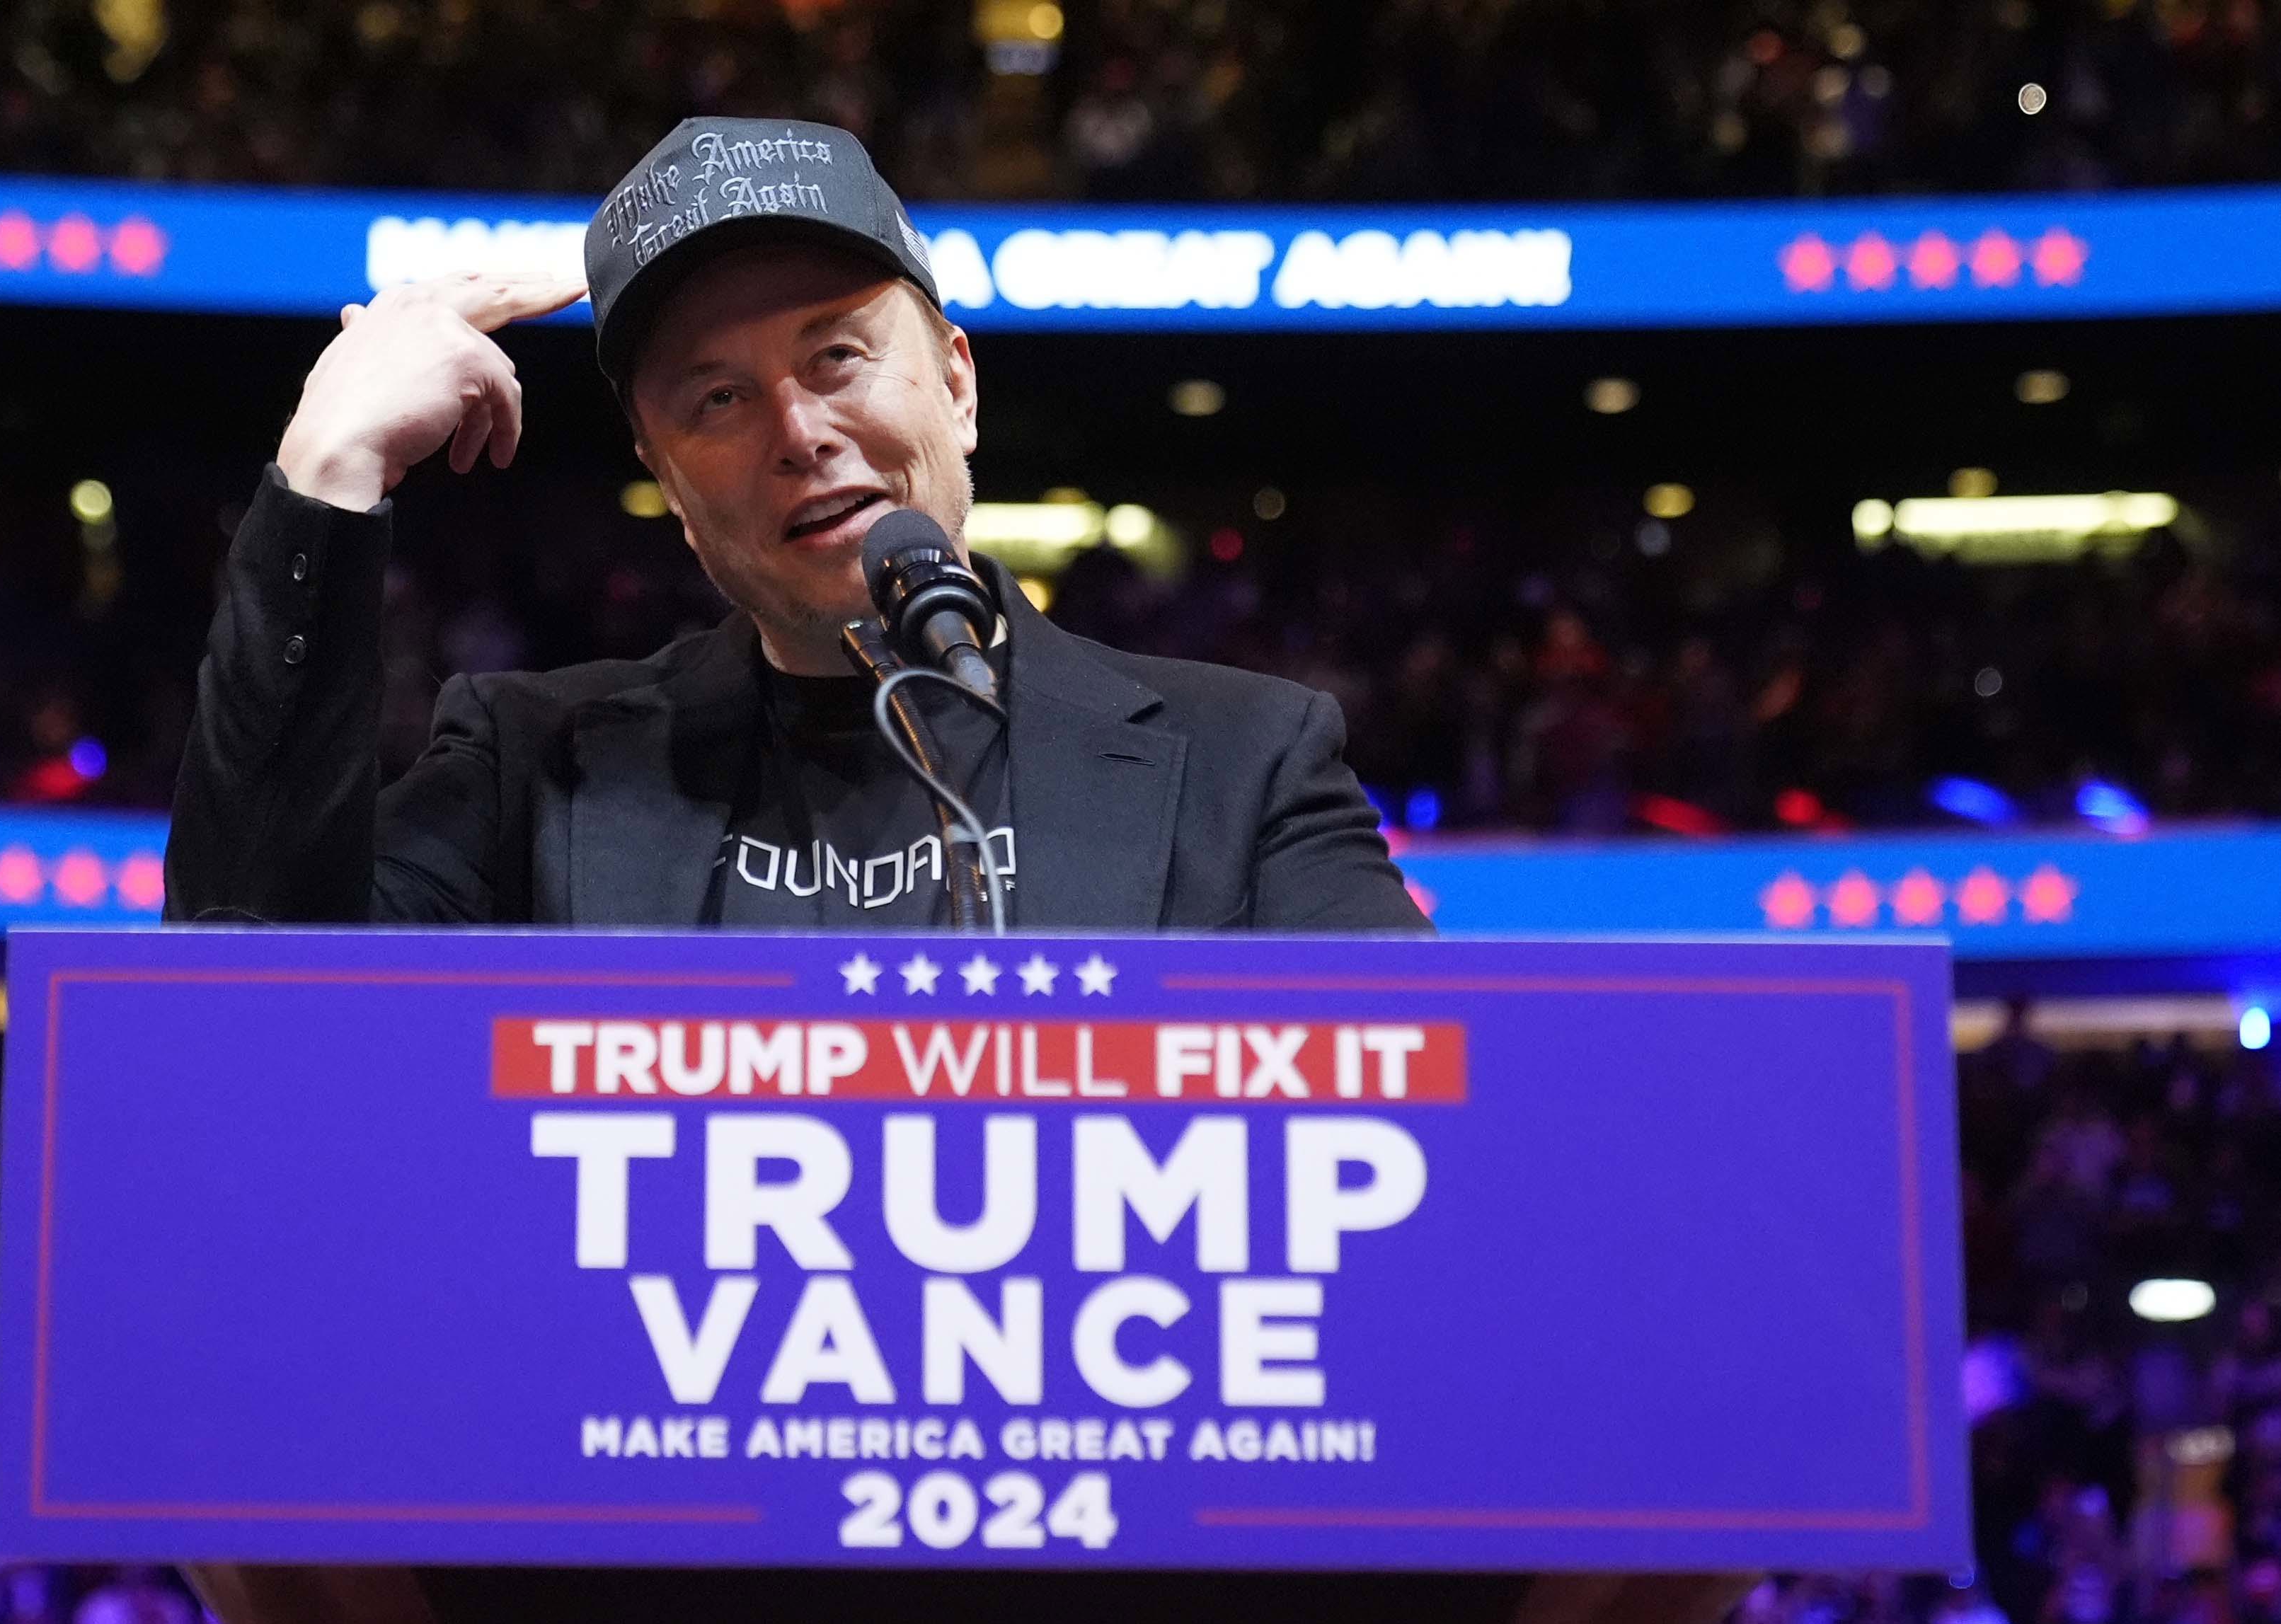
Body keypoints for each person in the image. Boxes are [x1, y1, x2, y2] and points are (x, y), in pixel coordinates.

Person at [167, 117, 1736, 1623]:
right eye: (710, 398)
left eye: (838, 355)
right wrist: (326, 480)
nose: (795, 429)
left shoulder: (1243, 759)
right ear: (664, 473)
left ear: (957, 383)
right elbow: (236, 1043)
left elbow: (1427, 1183)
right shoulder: (530, 759)